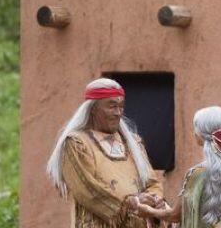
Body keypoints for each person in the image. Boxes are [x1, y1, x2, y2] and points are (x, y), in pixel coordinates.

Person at [46, 78, 165, 227]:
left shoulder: (133, 142)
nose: (118, 113)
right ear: (93, 108)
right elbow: (89, 190)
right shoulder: (76, 144)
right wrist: (132, 202)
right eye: (112, 106)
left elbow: (151, 181)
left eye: (121, 106)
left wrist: (155, 200)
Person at [137, 106, 221, 228]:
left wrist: (149, 211)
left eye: (196, 128)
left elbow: (175, 215)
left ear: (202, 135)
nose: (194, 132)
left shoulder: (198, 174)